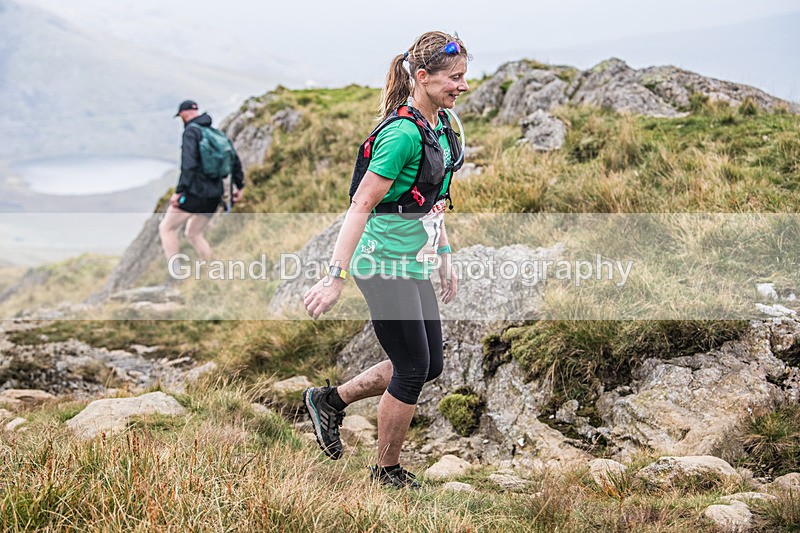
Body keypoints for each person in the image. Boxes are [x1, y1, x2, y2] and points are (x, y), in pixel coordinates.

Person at [302, 31, 469, 488]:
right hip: (380, 264)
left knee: (429, 363)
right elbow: (359, 206)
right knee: (413, 367)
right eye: (454, 78)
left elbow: (432, 199)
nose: (463, 86)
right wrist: (334, 277)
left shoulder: (439, 126)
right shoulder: (401, 135)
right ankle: (386, 471)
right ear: (422, 77)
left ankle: (330, 401)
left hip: (414, 261)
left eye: (464, 77)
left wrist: (445, 256)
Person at [159, 100, 245, 275]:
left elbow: (188, 165)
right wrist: (240, 186)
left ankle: (175, 271)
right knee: (193, 233)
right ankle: (211, 270)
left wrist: (179, 192)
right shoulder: (214, 132)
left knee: (166, 228)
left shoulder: (191, 132)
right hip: (215, 194)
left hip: (194, 193)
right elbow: (234, 159)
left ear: (184, 113)